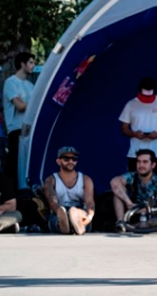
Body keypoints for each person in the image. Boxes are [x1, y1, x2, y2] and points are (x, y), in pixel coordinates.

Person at [119, 77, 157, 184]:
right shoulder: (131, 104)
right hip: (135, 152)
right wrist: (134, 134)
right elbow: (124, 128)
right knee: (134, 185)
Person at [111, 149, 157, 232]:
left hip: (149, 216)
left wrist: (140, 210)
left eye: (145, 162)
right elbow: (114, 182)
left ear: (153, 165)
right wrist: (129, 203)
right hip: (129, 213)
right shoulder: (132, 176)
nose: (141, 165)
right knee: (117, 193)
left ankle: (131, 227)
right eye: (138, 162)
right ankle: (121, 223)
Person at [43, 146, 95, 235]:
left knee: (79, 213)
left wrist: (89, 217)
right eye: (66, 159)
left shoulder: (86, 179)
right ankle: (64, 224)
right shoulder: (51, 180)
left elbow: (89, 202)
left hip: (79, 210)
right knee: (56, 218)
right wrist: (60, 212)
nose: (70, 161)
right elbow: (52, 202)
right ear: (58, 161)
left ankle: (76, 222)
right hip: (59, 210)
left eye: (74, 159)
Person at [2, 52, 35, 188]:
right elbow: (20, 105)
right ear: (23, 64)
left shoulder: (30, 85)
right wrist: (34, 103)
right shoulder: (11, 82)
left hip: (29, 130)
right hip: (16, 130)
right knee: (16, 166)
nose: (33, 65)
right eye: (31, 62)